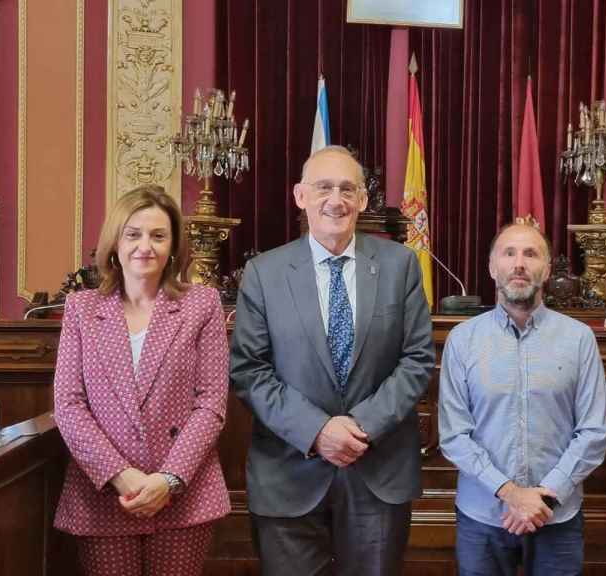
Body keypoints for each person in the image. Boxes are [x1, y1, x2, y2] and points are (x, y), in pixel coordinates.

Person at [230, 145, 435, 576]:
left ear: (362, 199)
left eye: (347, 189)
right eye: (323, 187)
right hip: (289, 475)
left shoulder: (400, 265)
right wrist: (317, 431)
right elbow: (249, 369)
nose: (335, 200)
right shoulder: (264, 273)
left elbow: (417, 359)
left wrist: (361, 427)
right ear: (300, 196)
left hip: (377, 473)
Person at [52, 184, 230, 576]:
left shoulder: (201, 304)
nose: (145, 246)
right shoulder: (82, 308)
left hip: (182, 495)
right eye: (133, 234)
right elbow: (68, 405)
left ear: (173, 245)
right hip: (104, 495)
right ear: (115, 242)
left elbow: (211, 403)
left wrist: (168, 480)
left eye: (158, 236)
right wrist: (121, 475)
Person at [438, 222, 606, 576]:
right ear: (492, 267)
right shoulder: (462, 339)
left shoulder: (579, 339)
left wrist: (544, 495)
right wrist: (511, 493)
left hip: (556, 517)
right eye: (509, 253)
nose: (519, 264)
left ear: (546, 270)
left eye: (531, 254)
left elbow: (593, 433)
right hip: (483, 517)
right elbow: (454, 435)